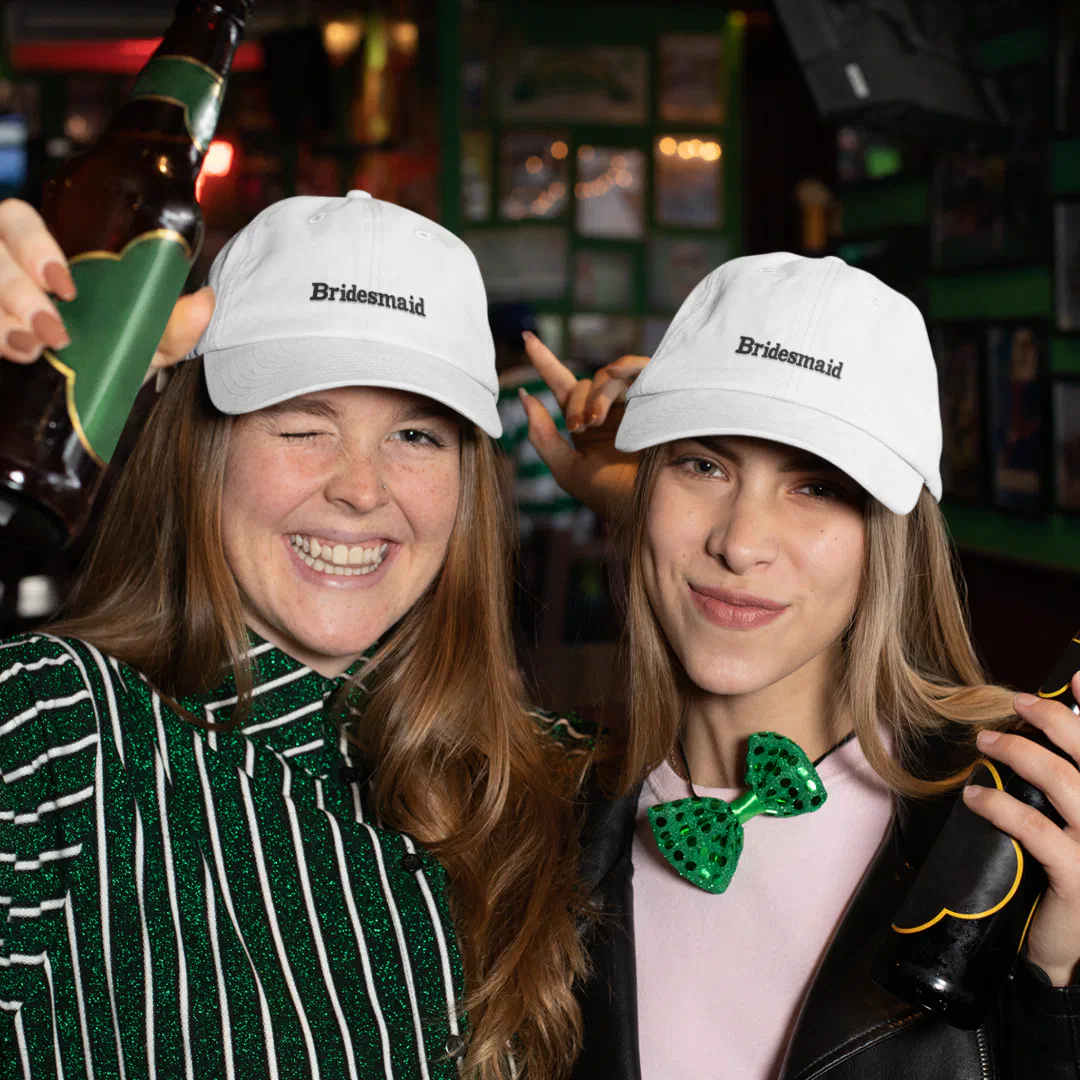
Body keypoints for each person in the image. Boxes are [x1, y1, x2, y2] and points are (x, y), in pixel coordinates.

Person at [0, 194, 594, 1080]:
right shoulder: (55, 724)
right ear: (203, 446)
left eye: (416, 434)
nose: (361, 487)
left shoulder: (552, 781)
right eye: (303, 425)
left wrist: (673, 505)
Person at [519, 253, 1080, 1079]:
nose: (740, 542)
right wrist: (639, 511)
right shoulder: (537, 823)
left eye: (815, 486)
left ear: (889, 539)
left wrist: (1061, 990)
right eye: (703, 465)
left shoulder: (1012, 832)